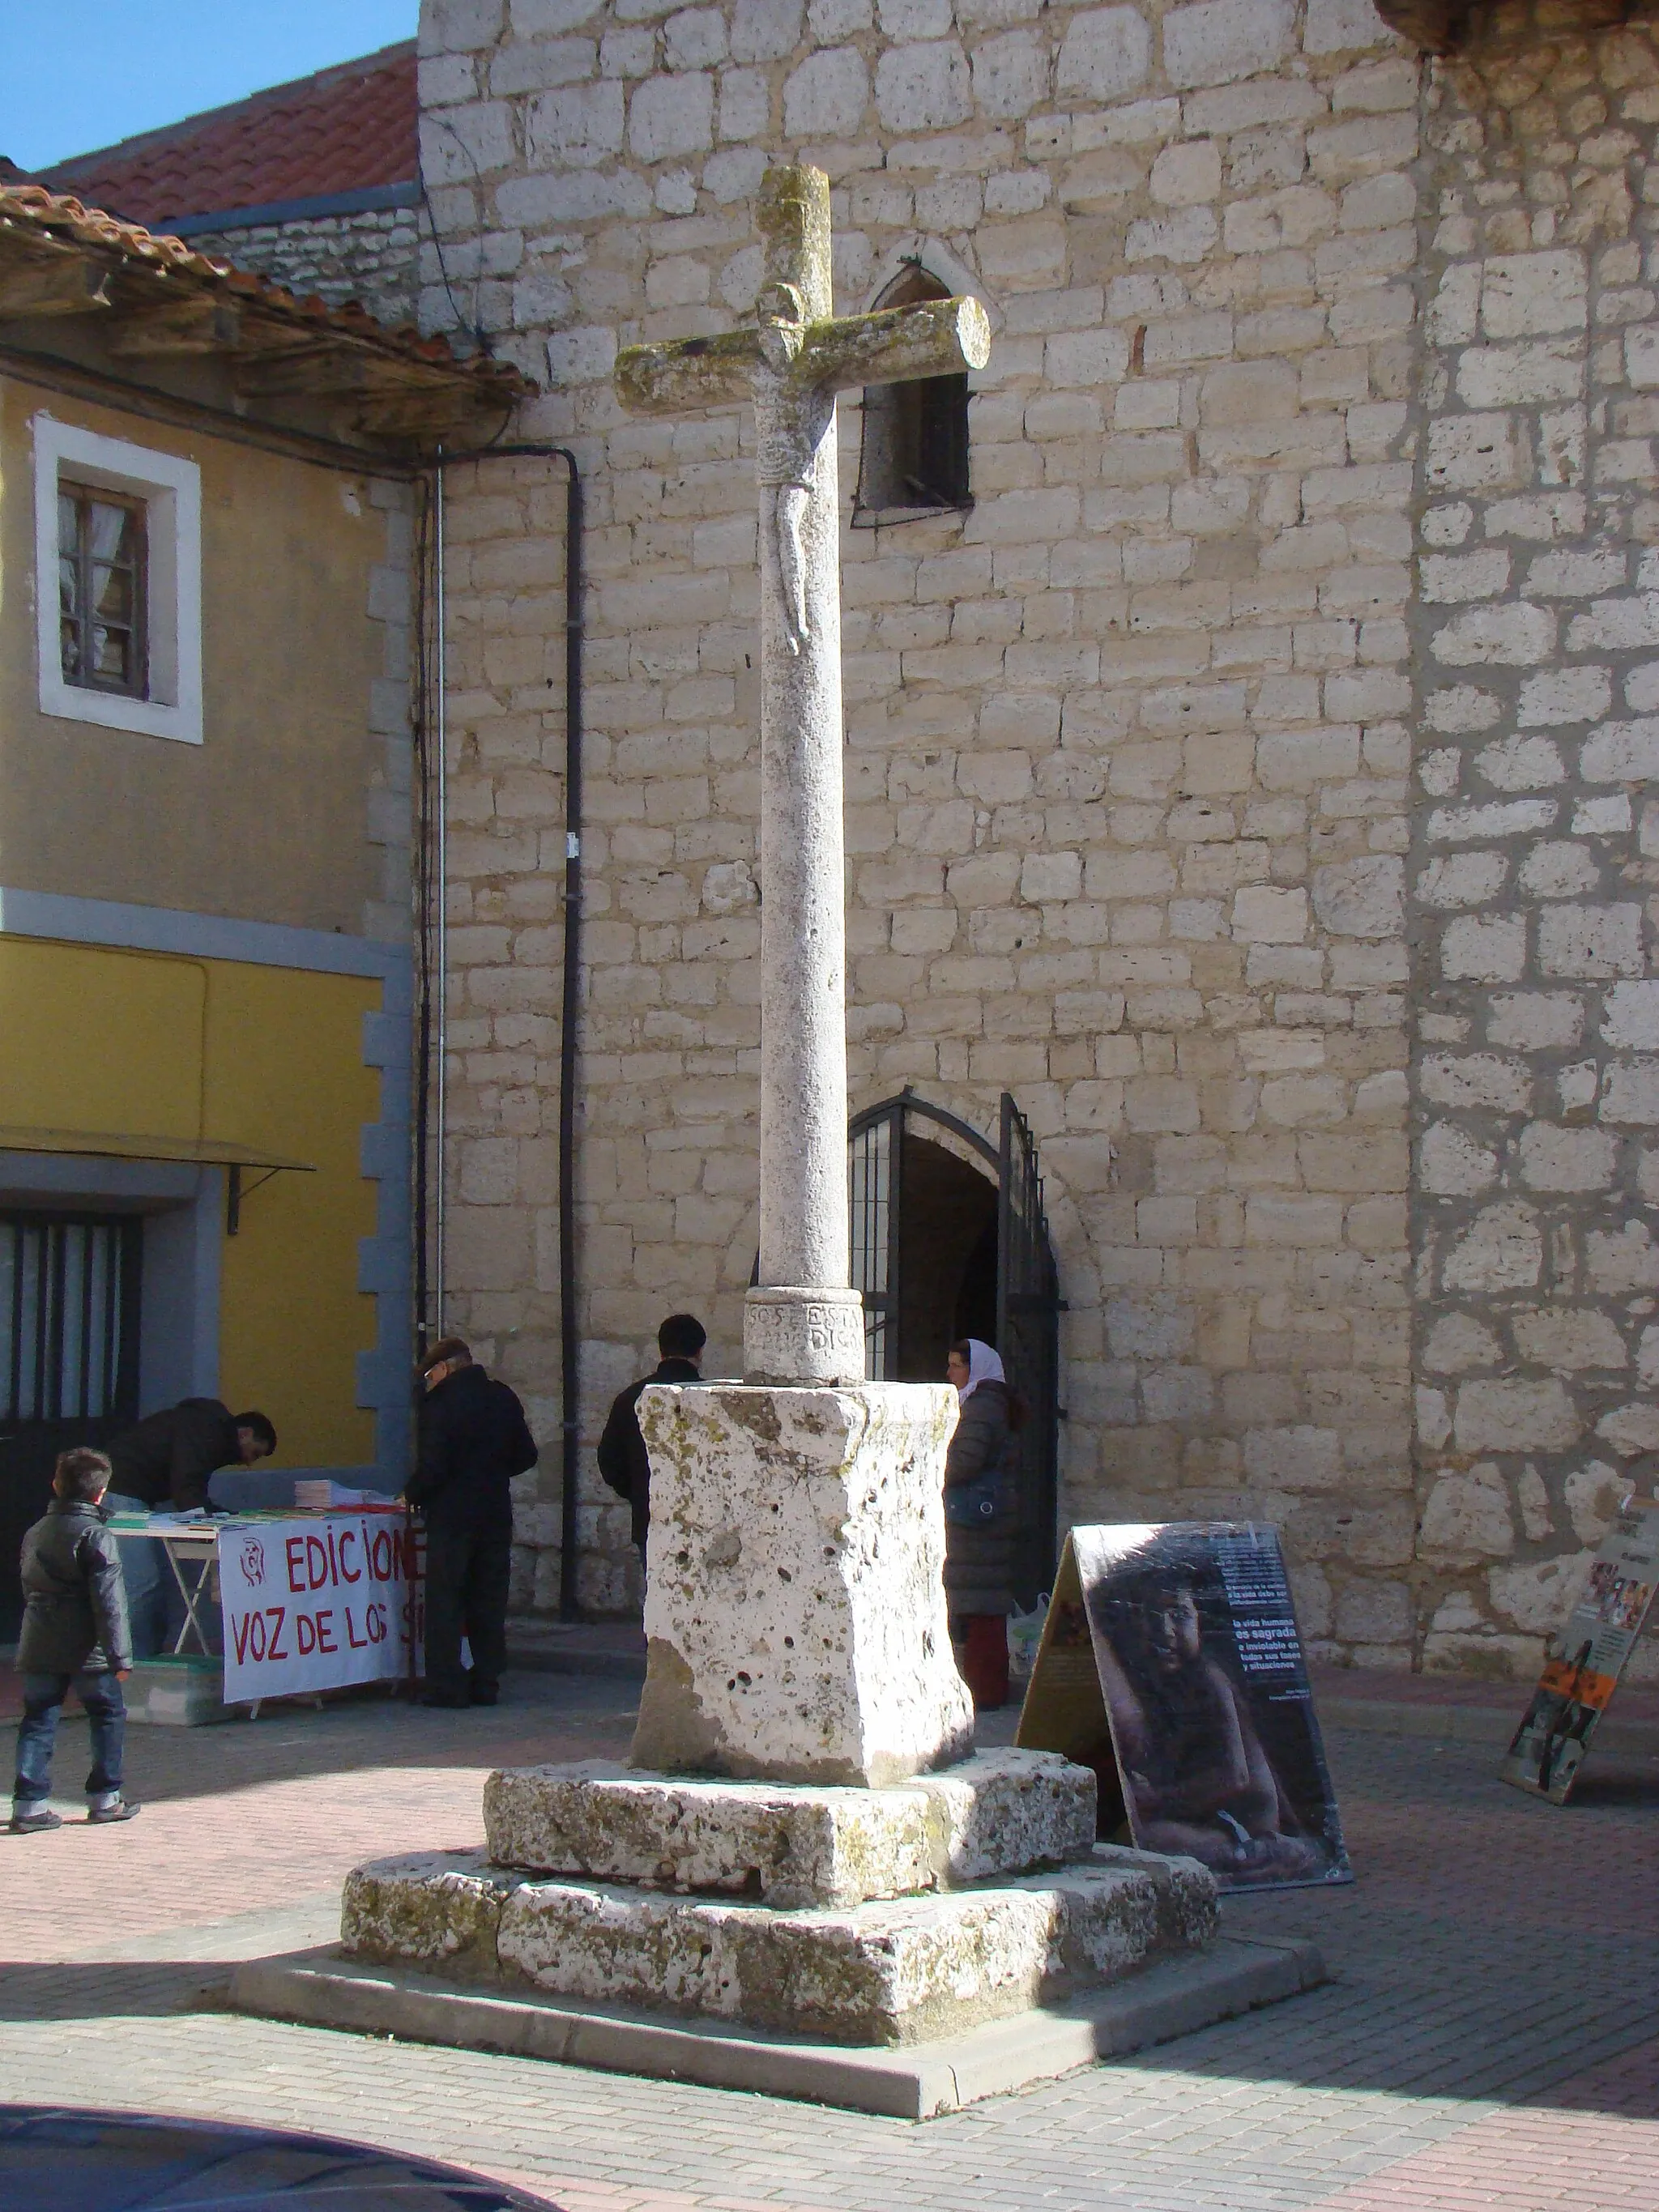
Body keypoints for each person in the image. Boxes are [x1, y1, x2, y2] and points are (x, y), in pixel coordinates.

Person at [1088, 1561, 1324, 1884]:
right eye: (1151, 1616)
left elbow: (1234, 1778)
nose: (1166, 1632)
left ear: (1199, 1621)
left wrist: (1157, 1799)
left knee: (1147, 1837)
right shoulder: (1157, 1681)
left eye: (1180, 1616)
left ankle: (1236, 1861)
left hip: (1242, 1827)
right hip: (1210, 1817)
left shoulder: (1209, 1680)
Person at [11, 1447, 139, 1834]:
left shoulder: (36, 1530)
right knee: (106, 1715)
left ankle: (29, 1805)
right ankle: (105, 1799)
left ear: (56, 1484)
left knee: (37, 1719)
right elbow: (110, 1603)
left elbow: (27, 1584)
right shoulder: (96, 1534)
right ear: (101, 1494)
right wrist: (121, 1657)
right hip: (90, 1647)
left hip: (40, 1637)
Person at [408, 1337, 538, 1709]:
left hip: (452, 1515)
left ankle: (446, 1686)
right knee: (488, 1598)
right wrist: (491, 1472)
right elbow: (526, 1455)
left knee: (446, 1598)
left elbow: (434, 1465)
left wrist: (412, 1493)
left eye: (431, 1375)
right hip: (494, 1510)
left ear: (445, 1369)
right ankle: (486, 1681)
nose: (429, 1383)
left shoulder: (440, 1404)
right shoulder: (501, 1397)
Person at [102, 1400, 277, 1659]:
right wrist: (210, 1521)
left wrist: (212, 1514)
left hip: (128, 1491)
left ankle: (145, 1656)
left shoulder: (206, 1429)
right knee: (142, 1582)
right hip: (122, 1491)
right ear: (246, 1433)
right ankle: (134, 1663)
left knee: (152, 1580)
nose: (249, 1462)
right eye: (254, 1453)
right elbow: (187, 1485)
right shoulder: (206, 1431)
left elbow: (190, 1487)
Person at [943, 1337, 1023, 1711]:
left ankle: (985, 1690)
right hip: (985, 1517)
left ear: (975, 1370)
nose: (950, 1373)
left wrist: (931, 1468)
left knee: (980, 1607)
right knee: (980, 1606)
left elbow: (965, 1459)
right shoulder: (986, 1403)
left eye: (957, 1365)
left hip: (977, 1521)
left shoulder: (981, 1407)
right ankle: (983, 1687)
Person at [597, 1315, 706, 1575]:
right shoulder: (708, 1401)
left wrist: (639, 1493)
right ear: (700, 1351)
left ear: (661, 1349)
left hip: (650, 1517)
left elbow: (610, 1463)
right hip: (703, 1519)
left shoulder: (631, 1398)